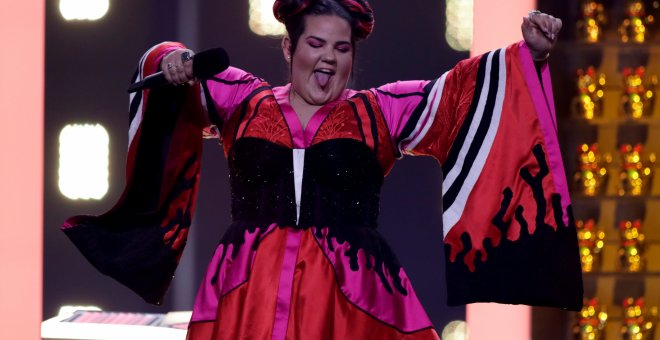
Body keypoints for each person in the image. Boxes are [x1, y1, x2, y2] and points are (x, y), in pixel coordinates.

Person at [63, 1, 583, 339]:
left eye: (342, 48)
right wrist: (171, 60)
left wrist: (526, 55)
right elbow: (167, 65)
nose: (328, 59)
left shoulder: (379, 112)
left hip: (354, 302)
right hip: (248, 294)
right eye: (315, 44)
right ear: (289, 47)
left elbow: (458, 94)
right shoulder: (244, 102)